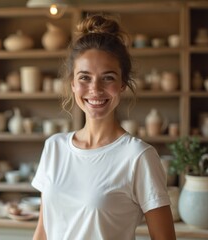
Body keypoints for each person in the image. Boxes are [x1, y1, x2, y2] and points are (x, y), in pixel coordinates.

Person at [31, 14, 176, 240]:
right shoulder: (54, 148)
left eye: (107, 78)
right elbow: (43, 231)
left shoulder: (138, 156)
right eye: (84, 78)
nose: (95, 89)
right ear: (72, 84)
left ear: (122, 85)